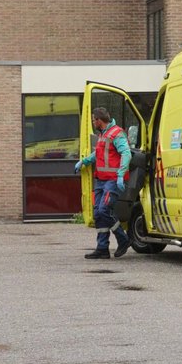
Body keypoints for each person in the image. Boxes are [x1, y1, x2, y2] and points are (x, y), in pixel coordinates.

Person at [75, 106, 131, 259]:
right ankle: (102, 248)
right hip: (101, 180)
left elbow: (126, 153)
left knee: (103, 210)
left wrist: (120, 175)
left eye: (94, 120)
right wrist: (84, 161)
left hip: (112, 180)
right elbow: (99, 153)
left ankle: (123, 239)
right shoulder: (103, 134)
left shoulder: (117, 133)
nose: (93, 122)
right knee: (98, 214)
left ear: (99, 120)